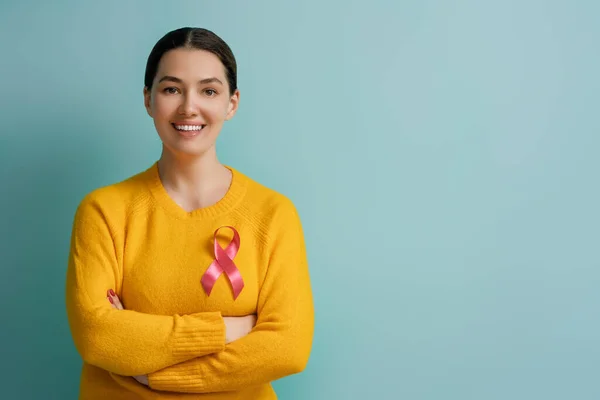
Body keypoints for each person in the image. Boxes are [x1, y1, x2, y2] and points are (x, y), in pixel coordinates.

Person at [65, 27, 314, 399]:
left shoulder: (273, 214)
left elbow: (289, 347)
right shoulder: (103, 212)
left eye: (209, 90)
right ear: (148, 99)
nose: (188, 107)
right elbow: (99, 336)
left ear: (231, 103)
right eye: (171, 89)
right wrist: (229, 329)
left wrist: (159, 372)